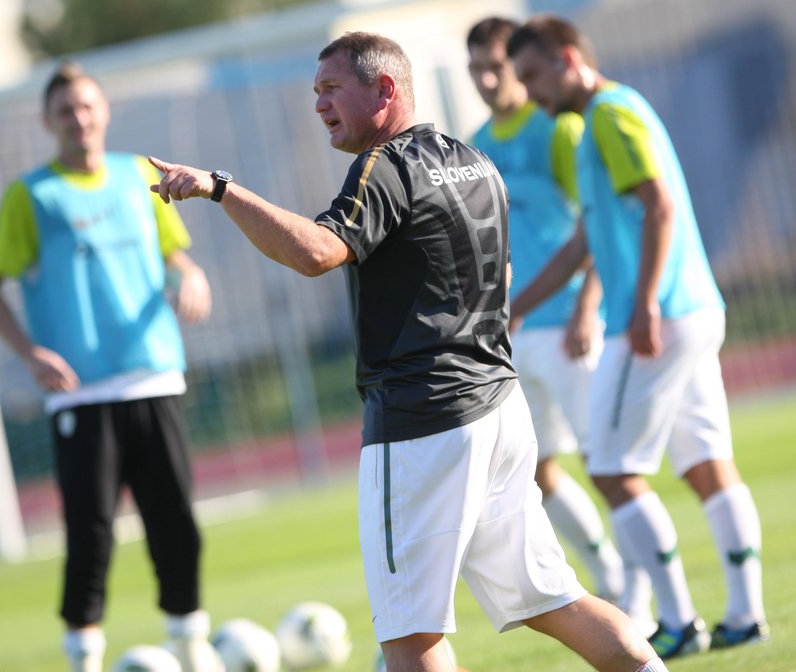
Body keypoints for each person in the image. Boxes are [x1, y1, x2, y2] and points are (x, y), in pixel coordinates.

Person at [148, 31, 667, 672]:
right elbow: (499, 276)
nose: (319, 106)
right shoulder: (476, 160)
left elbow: (316, 251)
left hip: (424, 424)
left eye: (332, 89)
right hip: (500, 410)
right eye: (316, 93)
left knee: (408, 635)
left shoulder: (384, 166)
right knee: (554, 600)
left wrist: (220, 189)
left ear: (385, 89)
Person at [505, 15, 769, 660]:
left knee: (613, 471)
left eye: (535, 75)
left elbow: (659, 204)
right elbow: (585, 241)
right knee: (706, 464)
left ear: (569, 58)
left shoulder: (609, 115)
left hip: (654, 319)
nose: (532, 92)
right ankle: (745, 614)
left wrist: (645, 300)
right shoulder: (599, 119)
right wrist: (514, 307)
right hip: (694, 309)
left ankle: (678, 620)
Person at [0, 63, 219, 672]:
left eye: (86, 107)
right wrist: (29, 352)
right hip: (80, 396)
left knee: (177, 527)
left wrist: (193, 279)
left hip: (155, 374)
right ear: (48, 121)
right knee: (91, 537)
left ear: (103, 111)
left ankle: (189, 650)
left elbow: (177, 258)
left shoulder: (140, 176)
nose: (78, 119)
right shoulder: (31, 195)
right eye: (65, 111)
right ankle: (83, 660)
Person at [466, 16, 634, 613]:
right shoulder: (475, 145)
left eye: (497, 66)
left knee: (607, 463)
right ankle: (612, 579)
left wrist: (589, 305)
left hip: (568, 325)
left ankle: (645, 599)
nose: (488, 80)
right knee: (537, 471)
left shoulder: (557, 130)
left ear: (520, 63)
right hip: (514, 331)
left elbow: (595, 226)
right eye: (476, 70)